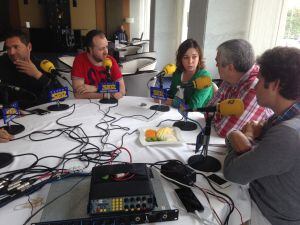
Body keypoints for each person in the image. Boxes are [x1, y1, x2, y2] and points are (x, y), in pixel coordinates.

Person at [223, 47, 300, 225]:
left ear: (275, 84)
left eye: (259, 80)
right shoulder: (283, 117)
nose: (256, 86)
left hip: (269, 215)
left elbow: (233, 172)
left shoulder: (288, 134)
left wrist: (244, 137)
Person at [208, 39, 273, 137]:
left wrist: (217, 116)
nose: (216, 65)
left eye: (217, 62)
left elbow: (225, 131)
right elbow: (208, 112)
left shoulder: (255, 87)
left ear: (230, 68)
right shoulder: (230, 76)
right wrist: (221, 116)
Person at [0, 30, 63, 109]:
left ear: (29, 47)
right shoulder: (3, 63)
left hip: (38, 113)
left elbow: (61, 95)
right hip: (10, 115)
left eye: (16, 47)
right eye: (8, 48)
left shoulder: (42, 65)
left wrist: (38, 75)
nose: (11, 52)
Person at [71, 30, 126, 99]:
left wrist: (96, 88)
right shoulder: (80, 61)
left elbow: (122, 91)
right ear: (90, 49)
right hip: (88, 106)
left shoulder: (111, 60)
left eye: (106, 47)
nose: (106, 52)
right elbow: (78, 94)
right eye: (101, 49)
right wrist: (107, 94)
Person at [164, 39, 213, 110]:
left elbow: (193, 106)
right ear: (180, 59)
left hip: (198, 116)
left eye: (194, 57)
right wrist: (162, 96)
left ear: (199, 58)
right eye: (186, 57)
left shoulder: (204, 77)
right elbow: (172, 93)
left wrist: (172, 102)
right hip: (177, 112)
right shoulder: (178, 73)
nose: (190, 62)